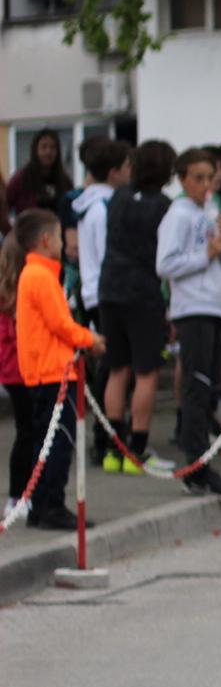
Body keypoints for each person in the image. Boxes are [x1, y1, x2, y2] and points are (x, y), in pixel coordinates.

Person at [155, 148, 221, 496]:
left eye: (210, 177)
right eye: (198, 178)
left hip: (218, 306)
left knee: (211, 387)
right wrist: (205, 254)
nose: (206, 185)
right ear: (183, 179)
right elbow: (165, 264)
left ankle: (204, 457)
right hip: (193, 308)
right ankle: (195, 463)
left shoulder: (214, 211)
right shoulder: (177, 215)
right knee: (197, 385)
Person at [12, 209, 99, 529]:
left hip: (45, 371)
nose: (63, 245)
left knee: (44, 442)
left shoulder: (35, 274)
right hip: (52, 372)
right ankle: (51, 505)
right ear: (46, 240)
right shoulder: (40, 276)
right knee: (58, 442)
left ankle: (40, 507)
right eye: (60, 238)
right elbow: (61, 324)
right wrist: (91, 339)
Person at [100, 140, 178, 472]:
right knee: (146, 372)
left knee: (118, 369)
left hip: (110, 288)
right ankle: (138, 448)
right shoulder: (164, 206)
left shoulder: (117, 197)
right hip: (144, 293)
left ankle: (112, 449)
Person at [74, 139, 129, 467]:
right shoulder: (105, 207)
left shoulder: (88, 205)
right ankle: (105, 436)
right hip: (107, 292)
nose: (130, 173)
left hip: (95, 290)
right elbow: (112, 251)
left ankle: (104, 433)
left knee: (109, 365)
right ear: (113, 172)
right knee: (113, 366)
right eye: (126, 167)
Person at [0, 233, 36, 519]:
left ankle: (25, 492)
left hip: (16, 370)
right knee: (28, 432)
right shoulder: (14, 293)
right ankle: (17, 495)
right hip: (18, 371)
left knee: (30, 431)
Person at [8, 128, 75, 223]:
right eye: (44, 147)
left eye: (53, 147)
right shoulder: (21, 179)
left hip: (57, 235)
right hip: (29, 234)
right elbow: (5, 206)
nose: (48, 152)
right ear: (35, 150)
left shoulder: (64, 181)